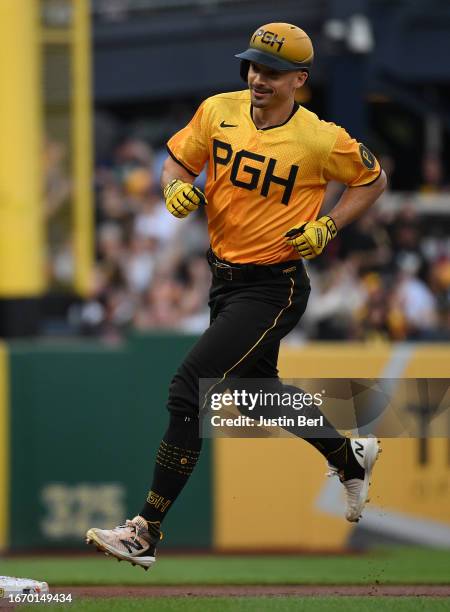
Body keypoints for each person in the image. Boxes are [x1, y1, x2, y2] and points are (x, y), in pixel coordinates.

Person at [86, 22, 387, 569]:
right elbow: (177, 159)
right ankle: (349, 458)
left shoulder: (320, 137)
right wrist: (173, 185)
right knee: (255, 390)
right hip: (225, 281)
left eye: (272, 71)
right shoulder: (217, 110)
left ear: (299, 78)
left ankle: (147, 530)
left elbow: (373, 179)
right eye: (252, 66)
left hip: (275, 285)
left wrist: (330, 226)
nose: (258, 78)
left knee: (186, 388)